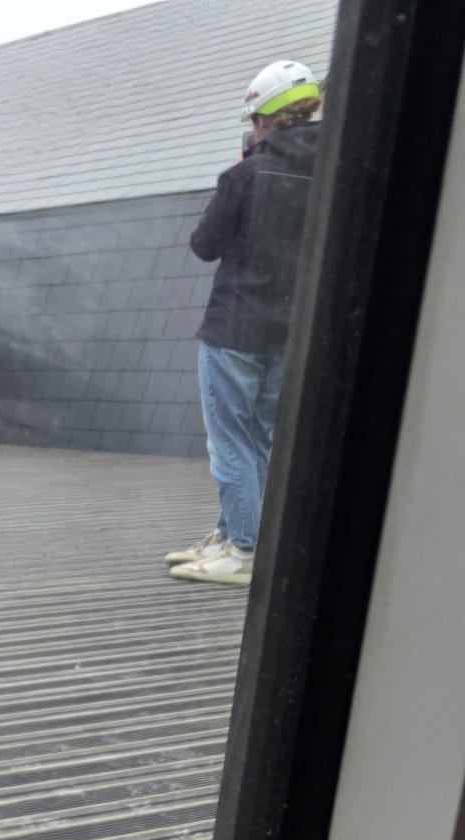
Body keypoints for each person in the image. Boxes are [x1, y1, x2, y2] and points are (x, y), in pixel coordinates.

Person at [167, 60, 324, 585]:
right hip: (288, 333)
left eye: (255, 120)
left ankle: (242, 551)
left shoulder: (246, 175)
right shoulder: (332, 173)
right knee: (256, 442)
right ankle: (230, 533)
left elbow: (203, 245)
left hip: (234, 329)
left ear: (265, 120)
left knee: (230, 443)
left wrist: (238, 174)